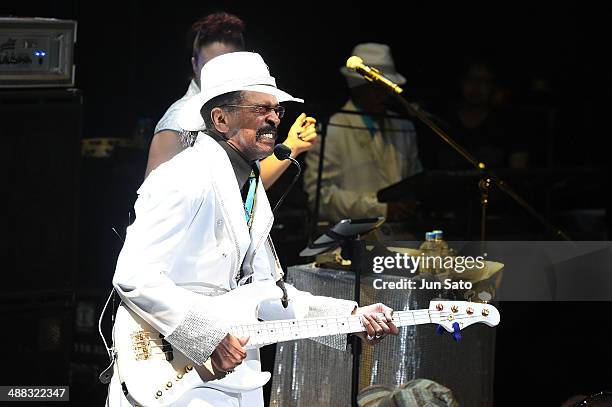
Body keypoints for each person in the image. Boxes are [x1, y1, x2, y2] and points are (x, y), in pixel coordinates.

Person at [106, 52, 399, 407]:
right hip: (174, 369)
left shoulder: (249, 184)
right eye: (260, 109)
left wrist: (350, 316)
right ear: (220, 118)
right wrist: (207, 336)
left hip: (230, 375)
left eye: (276, 110)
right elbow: (134, 276)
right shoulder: (182, 176)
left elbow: (266, 294)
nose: (274, 118)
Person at [146, 11, 317, 188]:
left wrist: (292, 145)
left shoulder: (242, 109)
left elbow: (244, 188)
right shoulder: (177, 121)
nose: (223, 76)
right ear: (194, 65)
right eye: (211, 67)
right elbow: (153, 198)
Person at [304, 42, 422, 226]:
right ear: (356, 87)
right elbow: (320, 197)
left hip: (401, 238)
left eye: (386, 88)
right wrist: (381, 208)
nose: (382, 95)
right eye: (375, 88)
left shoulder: (404, 126)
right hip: (349, 241)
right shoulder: (332, 128)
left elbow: (415, 181)